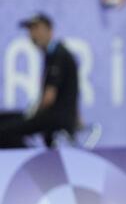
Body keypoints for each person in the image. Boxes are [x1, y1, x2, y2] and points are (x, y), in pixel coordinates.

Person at [0, 13, 79, 149]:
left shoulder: (58, 55)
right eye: (30, 30)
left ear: (49, 30)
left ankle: (25, 163)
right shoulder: (52, 55)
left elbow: (49, 98)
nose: (32, 34)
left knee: (5, 130)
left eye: (36, 29)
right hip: (56, 116)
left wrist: (32, 115)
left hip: (56, 118)